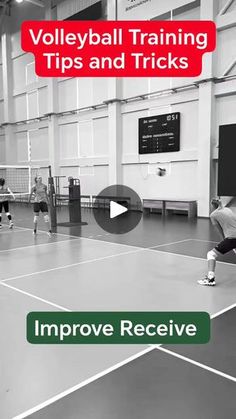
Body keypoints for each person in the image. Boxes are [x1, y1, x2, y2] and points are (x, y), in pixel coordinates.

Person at [198, 198, 236, 286]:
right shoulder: (228, 210)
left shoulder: (213, 215)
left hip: (231, 238)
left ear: (212, 206)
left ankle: (210, 279)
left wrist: (225, 240)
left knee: (211, 254)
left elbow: (219, 229)